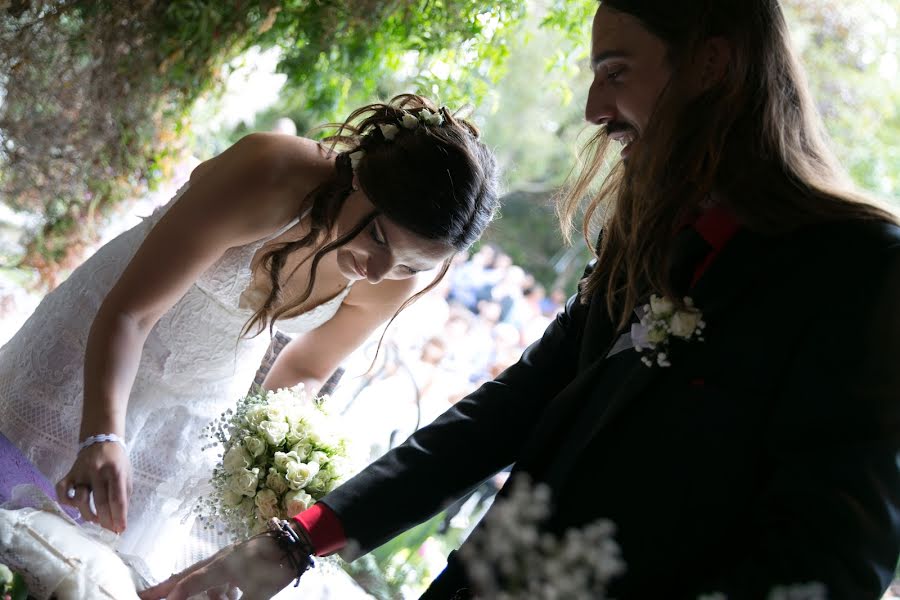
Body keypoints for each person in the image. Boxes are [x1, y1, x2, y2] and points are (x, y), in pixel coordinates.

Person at [142, 1, 900, 598]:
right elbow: (509, 410)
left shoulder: (859, 270)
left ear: (710, 64)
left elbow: (832, 561)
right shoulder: (647, 238)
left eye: (616, 70)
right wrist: (298, 541)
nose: (594, 109)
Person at [0, 93, 500, 579]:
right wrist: (103, 433)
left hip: (199, 402)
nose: (377, 272)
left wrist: (273, 456)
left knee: (93, 563)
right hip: (102, 336)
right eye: (379, 238)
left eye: (411, 265)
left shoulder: (392, 278)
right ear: (361, 181)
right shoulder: (272, 171)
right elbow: (133, 312)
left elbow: (305, 369)